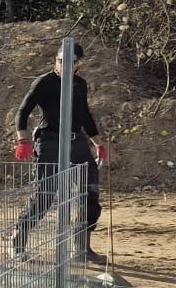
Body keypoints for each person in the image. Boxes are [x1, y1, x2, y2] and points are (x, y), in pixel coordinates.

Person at [11, 44, 106, 265]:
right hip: (50, 140)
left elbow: (84, 114)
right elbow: (23, 111)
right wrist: (23, 140)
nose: (64, 66)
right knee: (45, 194)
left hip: (76, 140)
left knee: (89, 192)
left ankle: (81, 248)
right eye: (61, 61)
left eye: (70, 63)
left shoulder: (80, 84)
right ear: (56, 60)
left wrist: (98, 143)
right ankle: (18, 242)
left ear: (78, 64)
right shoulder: (44, 82)